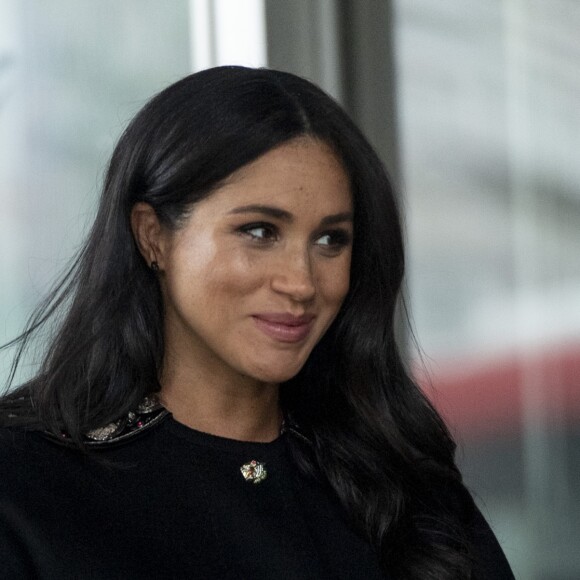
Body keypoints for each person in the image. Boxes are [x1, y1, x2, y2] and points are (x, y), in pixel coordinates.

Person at [0, 66, 514, 579]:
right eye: (260, 231)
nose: (301, 282)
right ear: (153, 235)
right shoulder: (28, 480)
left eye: (330, 240)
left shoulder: (403, 485)